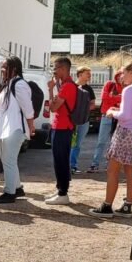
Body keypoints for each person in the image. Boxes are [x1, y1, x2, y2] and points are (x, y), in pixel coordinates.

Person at [89, 61, 132, 218]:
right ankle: (128, 206)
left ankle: (107, 206)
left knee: (112, 170)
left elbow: (125, 116)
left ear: (131, 72)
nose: (121, 77)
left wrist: (112, 113)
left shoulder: (129, 89)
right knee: (130, 171)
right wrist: (118, 110)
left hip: (126, 133)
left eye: (123, 73)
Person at [0, 56, 35, 204]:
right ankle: (17, 188)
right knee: (7, 160)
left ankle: (9, 192)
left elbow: (28, 109)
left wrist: (31, 126)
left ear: (14, 68)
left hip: (15, 128)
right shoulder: (8, 84)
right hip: (6, 129)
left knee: (9, 160)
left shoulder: (19, 84)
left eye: (5, 67)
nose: (2, 69)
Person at [45, 57, 77, 204]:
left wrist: (51, 90)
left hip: (63, 127)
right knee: (59, 160)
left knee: (61, 161)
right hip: (61, 126)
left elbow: (52, 107)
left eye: (56, 67)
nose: (54, 70)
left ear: (64, 69)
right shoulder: (65, 85)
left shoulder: (68, 86)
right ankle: (60, 190)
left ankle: (63, 193)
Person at [89, 70, 122, 172]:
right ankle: (95, 164)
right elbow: (104, 97)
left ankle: (110, 165)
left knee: (115, 143)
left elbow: (122, 101)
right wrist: (118, 98)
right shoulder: (109, 84)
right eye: (119, 76)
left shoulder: (127, 87)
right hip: (106, 116)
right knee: (101, 142)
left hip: (119, 118)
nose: (121, 78)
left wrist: (112, 98)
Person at [69, 67, 97, 173]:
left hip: (84, 121)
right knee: (70, 143)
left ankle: (73, 165)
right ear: (80, 74)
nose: (90, 75)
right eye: (87, 73)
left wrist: (83, 109)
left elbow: (93, 105)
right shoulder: (72, 87)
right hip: (71, 121)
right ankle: (69, 165)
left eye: (90, 73)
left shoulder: (89, 89)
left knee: (77, 144)